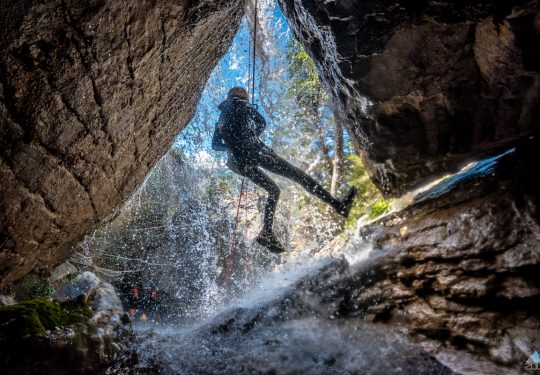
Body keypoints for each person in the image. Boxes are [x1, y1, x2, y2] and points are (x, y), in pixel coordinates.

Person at [212, 87, 356, 253]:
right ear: (243, 96)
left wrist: (233, 147)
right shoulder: (243, 104)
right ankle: (338, 205)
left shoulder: (221, 119)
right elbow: (261, 123)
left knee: (274, 190)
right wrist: (252, 138)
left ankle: (266, 233)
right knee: (298, 175)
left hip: (239, 163)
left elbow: (215, 145)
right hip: (255, 151)